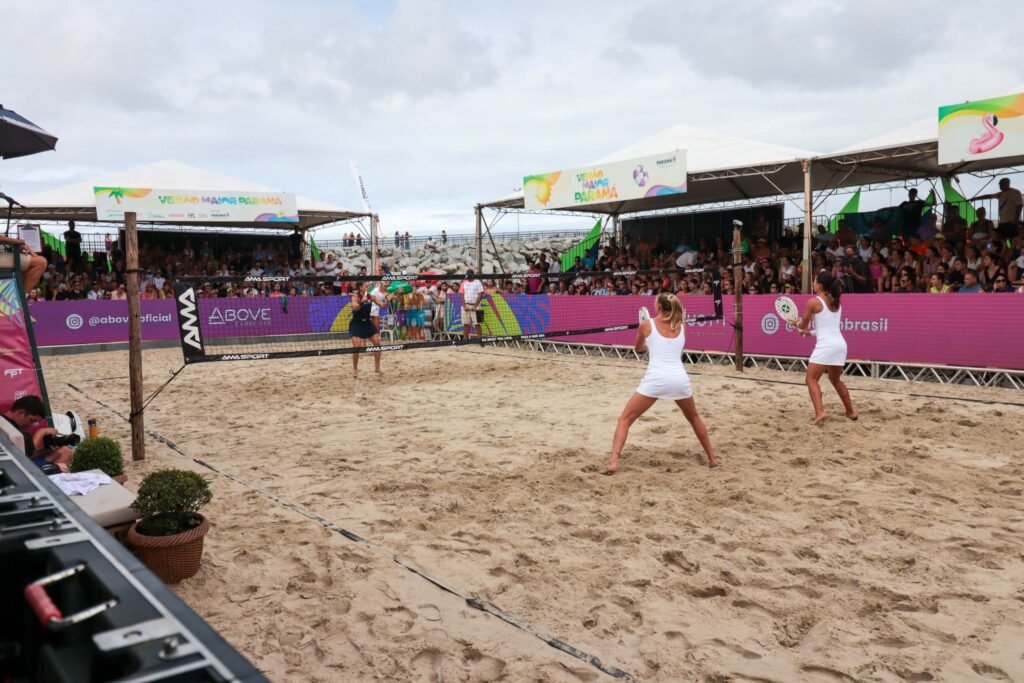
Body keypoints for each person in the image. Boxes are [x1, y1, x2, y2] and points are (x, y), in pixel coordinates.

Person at [601, 293, 718, 474]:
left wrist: (648, 343)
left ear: (659, 307)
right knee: (694, 418)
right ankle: (713, 459)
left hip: (656, 379)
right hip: (679, 379)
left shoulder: (646, 325)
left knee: (625, 419)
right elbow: (672, 348)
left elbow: (638, 349)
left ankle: (613, 461)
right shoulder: (681, 326)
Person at [795, 271, 857, 425]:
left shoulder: (813, 302)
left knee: (811, 379)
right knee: (835, 379)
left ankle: (820, 412)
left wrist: (796, 324)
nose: (813, 283)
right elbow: (828, 327)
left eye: (814, 281)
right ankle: (851, 411)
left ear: (820, 285)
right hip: (840, 345)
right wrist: (809, 333)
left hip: (826, 346)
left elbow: (802, 324)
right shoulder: (836, 301)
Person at [2, 396, 73, 472]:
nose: (30, 425)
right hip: (18, 471)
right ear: (21, 413)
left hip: (11, 464)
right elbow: (26, 456)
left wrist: (45, 450)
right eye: (31, 420)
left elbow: (23, 453)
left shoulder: (3, 421)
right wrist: (41, 433)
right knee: (62, 462)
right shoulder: (18, 434)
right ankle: (47, 482)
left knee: (64, 451)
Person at [348, 283, 382, 377]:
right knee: (357, 346)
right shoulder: (355, 297)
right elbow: (355, 308)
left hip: (367, 323)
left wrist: (389, 299)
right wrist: (362, 301)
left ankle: (377, 368)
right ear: (360, 287)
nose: (367, 287)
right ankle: (355, 369)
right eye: (365, 285)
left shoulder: (371, 296)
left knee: (377, 343)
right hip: (356, 323)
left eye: (368, 285)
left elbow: (382, 305)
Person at [460, 268, 484, 341]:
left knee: (477, 323)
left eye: (469, 276)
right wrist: (464, 305)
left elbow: (481, 294)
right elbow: (461, 294)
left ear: (473, 275)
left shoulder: (478, 282)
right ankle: (465, 339)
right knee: (466, 323)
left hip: (476, 305)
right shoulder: (464, 282)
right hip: (466, 305)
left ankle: (480, 339)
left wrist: (476, 305)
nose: (468, 278)